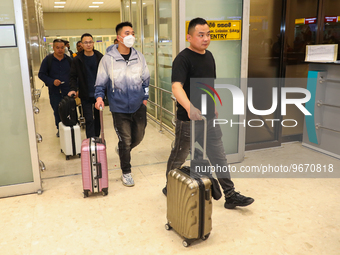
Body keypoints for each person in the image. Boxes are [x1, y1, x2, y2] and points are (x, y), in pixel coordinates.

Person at [163, 17, 254, 209]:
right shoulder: (182, 59)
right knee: (179, 156)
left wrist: (212, 105)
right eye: (201, 35)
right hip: (188, 120)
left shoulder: (209, 56)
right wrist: (190, 108)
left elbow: (209, 85)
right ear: (189, 37)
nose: (206, 38)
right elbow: (176, 87)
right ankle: (170, 186)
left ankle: (230, 195)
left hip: (209, 119)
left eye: (208, 34)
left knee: (218, 156)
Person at [95, 22, 150, 187]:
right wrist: (99, 98)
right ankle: (126, 172)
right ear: (118, 37)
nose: (131, 36)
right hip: (118, 107)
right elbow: (100, 83)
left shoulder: (139, 57)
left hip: (138, 105)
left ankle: (123, 151)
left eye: (132, 33)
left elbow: (146, 79)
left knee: (138, 137)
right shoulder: (107, 60)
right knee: (125, 140)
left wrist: (145, 97)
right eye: (127, 33)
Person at [68, 33, 104, 138]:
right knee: (88, 119)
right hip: (85, 93)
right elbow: (73, 76)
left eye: (90, 42)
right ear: (82, 44)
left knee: (98, 118)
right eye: (85, 42)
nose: (88, 45)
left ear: (93, 43)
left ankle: (97, 138)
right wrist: (73, 89)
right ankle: (90, 140)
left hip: (99, 94)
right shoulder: (77, 59)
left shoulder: (100, 57)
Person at [38, 39, 72, 137]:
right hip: (55, 92)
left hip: (67, 90)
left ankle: (70, 128)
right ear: (53, 48)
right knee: (57, 110)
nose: (60, 50)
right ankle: (60, 129)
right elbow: (41, 74)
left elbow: (74, 75)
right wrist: (51, 81)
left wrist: (75, 88)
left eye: (62, 47)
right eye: (57, 48)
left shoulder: (69, 60)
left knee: (69, 109)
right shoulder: (48, 60)